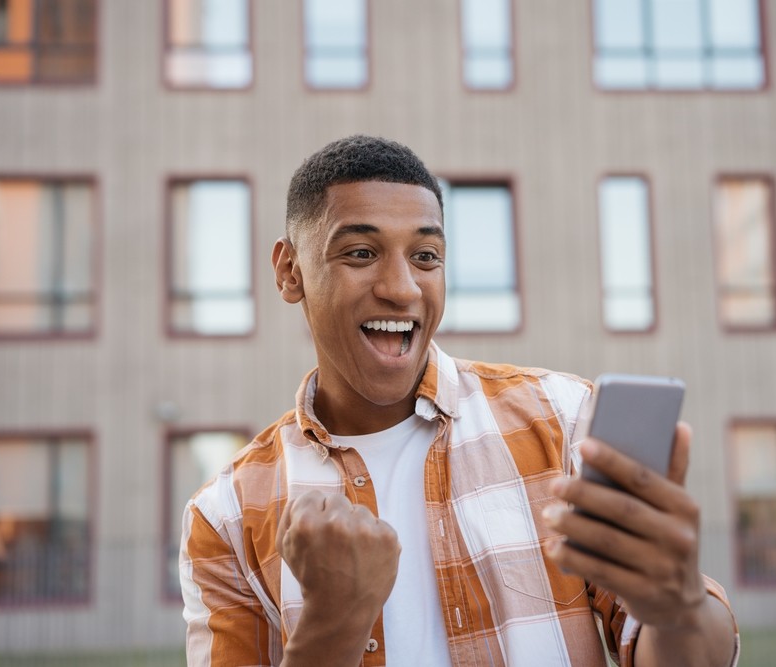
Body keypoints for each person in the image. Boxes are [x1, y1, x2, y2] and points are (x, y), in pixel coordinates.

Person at [180, 135, 740, 666]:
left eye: (425, 257)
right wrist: (331, 624)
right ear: (289, 270)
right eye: (360, 253)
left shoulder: (566, 421)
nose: (401, 289)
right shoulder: (226, 516)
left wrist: (679, 607)